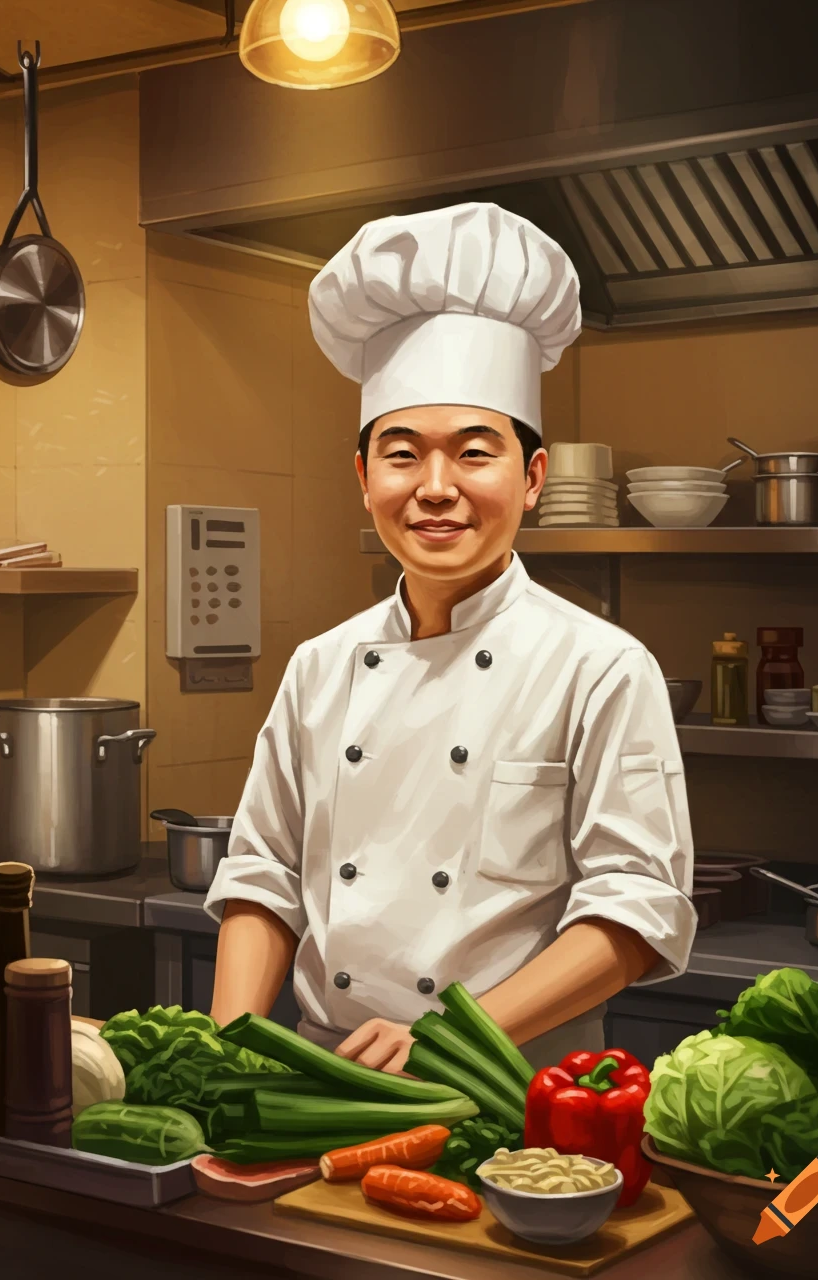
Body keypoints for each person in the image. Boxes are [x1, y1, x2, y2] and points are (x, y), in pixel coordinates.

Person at [205, 202, 696, 1073]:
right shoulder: (320, 668)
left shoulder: (601, 666)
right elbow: (262, 876)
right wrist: (223, 1052)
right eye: (402, 454)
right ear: (363, 478)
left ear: (533, 477)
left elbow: (637, 907)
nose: (436, 488)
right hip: (325, 1081)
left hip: (520, 1091)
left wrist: (449, 1038)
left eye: (475, 452)